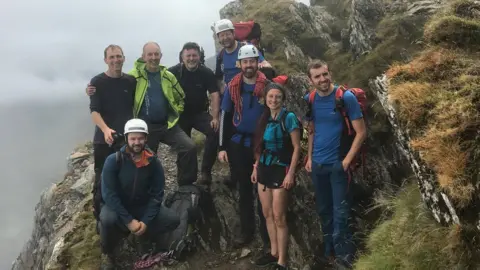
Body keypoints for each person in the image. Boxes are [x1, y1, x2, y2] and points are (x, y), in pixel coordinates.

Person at [87, 42, 198, 186]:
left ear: (161, 56)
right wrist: (90, 90)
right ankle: (147, 191)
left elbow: (180, 97)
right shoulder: (134, 77)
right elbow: (104, 95)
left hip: (166, 124)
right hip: (144, 127)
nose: (153, 57)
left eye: (156, 54)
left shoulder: (167, 76)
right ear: (143, 57)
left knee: (189, 147)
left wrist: (175, 113)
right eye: (149, 54)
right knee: (145, 160)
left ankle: (185, 186)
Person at [304, 60, 367, 269]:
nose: (322, 79)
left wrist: (347, 161)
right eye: (317, 76)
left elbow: (361, 132)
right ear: (310, 80)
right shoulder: (310, 99)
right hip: (318, 166)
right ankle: (329, 251)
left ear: (329, 72)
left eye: (324, 74)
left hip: (338, 166)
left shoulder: (345, 98)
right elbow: (312, 130)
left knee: (340, 212)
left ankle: (345, 258)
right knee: (324, 210)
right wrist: (310, 157)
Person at [99, 118, 180, 269]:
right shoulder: (114, 160)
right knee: (107, 219)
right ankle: (107, 251)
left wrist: (146, 222)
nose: (137, 142)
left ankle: (144, 236)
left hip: (141, 206)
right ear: (126, 139)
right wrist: (129, 221)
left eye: (141, 138)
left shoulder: (153, 162)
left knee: (173, 220)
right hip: (118, 206)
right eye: (133, 138)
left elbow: (157, 194)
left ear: (146, 139)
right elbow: (109, 194)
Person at [218, 44, 270, 256]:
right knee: (244, 189)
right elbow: (224, 117)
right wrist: (222, 146)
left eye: (252, 61)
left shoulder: (267, 86)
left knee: (264, 189)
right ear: (239, 64)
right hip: (238, 144)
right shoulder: (233, 87)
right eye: (245, 61)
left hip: (262, 145)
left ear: (258, 62)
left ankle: (268, 235)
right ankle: (247, 231)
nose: (249, 65)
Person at [250, 83, 301, 269]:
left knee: (279, 216)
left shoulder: (289, 118)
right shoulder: (265, 117)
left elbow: (297, 147)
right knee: (267, 213)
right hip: (264, 167)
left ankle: (282, 261)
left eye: (278, 97)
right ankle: (273, 252)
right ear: (265, 98)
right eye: (271, 97)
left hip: (281, 169)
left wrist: (291, 173)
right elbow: (259, 146)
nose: (274, 100)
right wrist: (256, 167)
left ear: (283, 99)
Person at [88, 44, 137, 221]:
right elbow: (94, 111)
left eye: (119, 56)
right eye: (112, 57)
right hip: (103, 139)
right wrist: (105, 129)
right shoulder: (97, 82)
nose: (116, 60)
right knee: (101, 177)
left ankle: (124, 212)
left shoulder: (131, 81)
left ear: (124, 58)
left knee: (126, 174)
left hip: (126, 139)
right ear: (106, 60)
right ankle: (100, 215)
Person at [168, 42, 220, 185]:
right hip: (180, 116)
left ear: (199, 56)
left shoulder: (206, 72)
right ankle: (184, 181)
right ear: (182, 57)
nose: (191, 58)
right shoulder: (172, 72)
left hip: (199, 113)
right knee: (184, 146)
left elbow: (215, 94)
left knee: (214, 130)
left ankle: (205, 172)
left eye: (194, 55)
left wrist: (215, 117)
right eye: (188, 56)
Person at [213, 19, 272, 95]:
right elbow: (218, 77)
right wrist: (221, 88)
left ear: (233, 34)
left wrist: (264, 66)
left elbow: (264, 63)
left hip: (251, 92)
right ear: (218, 38)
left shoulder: (247, 47)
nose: (225, 38)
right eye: (222, 35)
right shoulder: (220, 56)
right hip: (231, 94)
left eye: (228, 34)